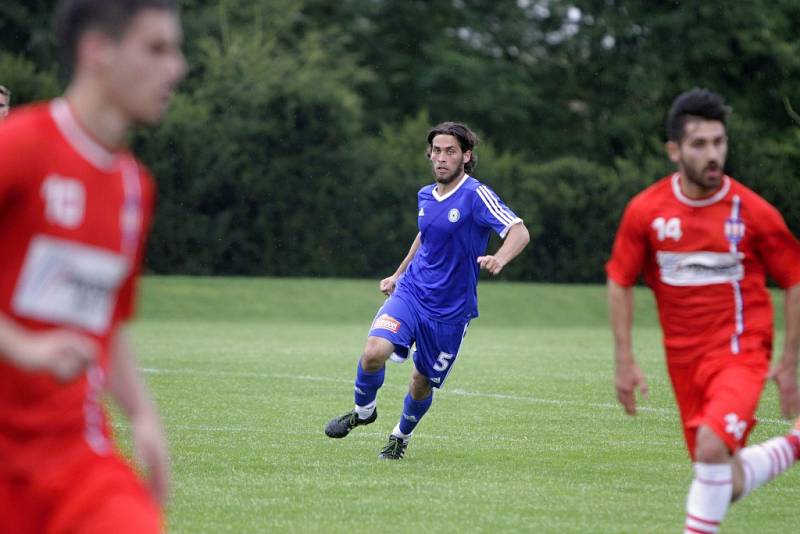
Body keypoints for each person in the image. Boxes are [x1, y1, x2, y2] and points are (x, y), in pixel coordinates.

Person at [0, 1, 186, 533]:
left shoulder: (133, 187)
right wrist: (23, 347)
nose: (177, 68)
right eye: (156, 48)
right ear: (97, 52)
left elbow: (109, 321)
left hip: (71, 459)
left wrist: (143, 416)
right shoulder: (20, 148)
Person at [606, 88, 800, 534]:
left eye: (719, 142)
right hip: (683, 360)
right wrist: (624, 358)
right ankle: (794, 444)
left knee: (712, 451)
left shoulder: (753, 212)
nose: (713, 154)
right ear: (674, 150)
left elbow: (793, 279)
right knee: (720, 478)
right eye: (699, 144)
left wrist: (789, 361)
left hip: (741, 350)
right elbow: (619, 281)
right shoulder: (646, 211)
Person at [325, 121, 530, 459]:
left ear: (466, 156)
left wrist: (500, 258)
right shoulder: (425, 195)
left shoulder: (476, 195)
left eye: (450, 151)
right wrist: (397, 273)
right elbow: (426, 236)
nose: (441, 158)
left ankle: (399, 437)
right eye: (436, 151)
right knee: (374, 350)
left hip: (450, 311)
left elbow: (519, 231)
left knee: (421, 382)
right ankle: (363, 412)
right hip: (411, 293)